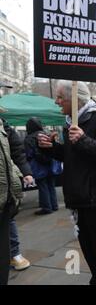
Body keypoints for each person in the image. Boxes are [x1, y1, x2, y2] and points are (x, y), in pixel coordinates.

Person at [37, 80, 96, 285]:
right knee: (92, 259)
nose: (56, 102)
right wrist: (51, 147)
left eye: (59, 97)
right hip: (79, 202)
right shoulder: (70, 122)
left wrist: (84, 140)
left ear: (74, 99)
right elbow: (71, 157)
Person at [0, 111, 34, 284]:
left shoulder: (4, 126)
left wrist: (26, 172)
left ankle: (14, 254)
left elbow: (17, 153)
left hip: (6, 198)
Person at [24, 117, 59, 215]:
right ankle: (54, 205)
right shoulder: (46, 134)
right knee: (51, 185)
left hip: (38, 165)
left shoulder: (29, 138)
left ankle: (47, 207)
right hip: (50, 163)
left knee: (42, 186)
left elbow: (29, 154)